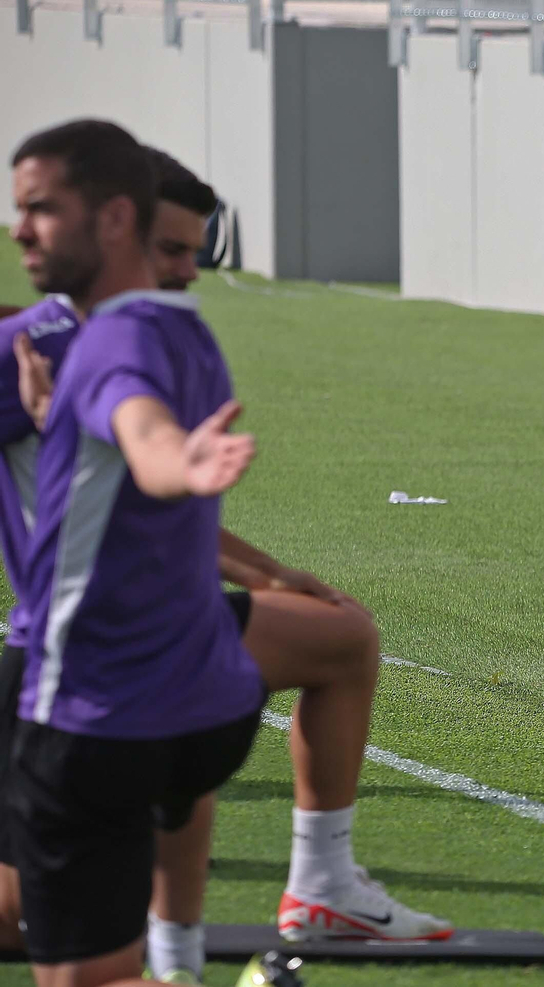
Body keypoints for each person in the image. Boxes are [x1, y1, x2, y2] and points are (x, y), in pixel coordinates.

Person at [1, 136, 449, 982]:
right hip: (151, 676)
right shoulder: (154, 336)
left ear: (111, 222)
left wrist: (178, 469)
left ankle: (241, 925)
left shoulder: (116, 342)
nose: (21, 229)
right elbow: (137, 464)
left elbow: (142, 438)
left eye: (39, 209)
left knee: (70, 958)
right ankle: (180, 956)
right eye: (173, 250)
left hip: (93, 681)